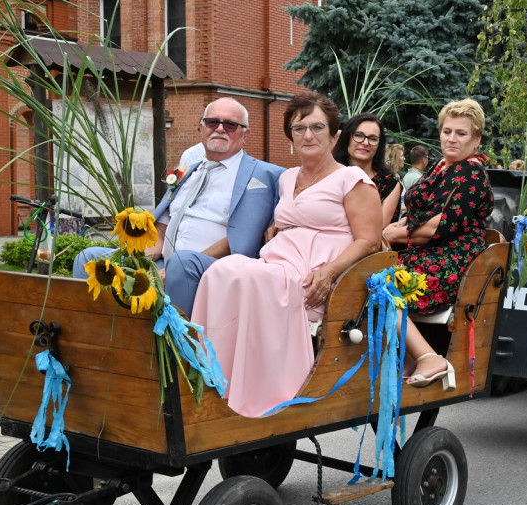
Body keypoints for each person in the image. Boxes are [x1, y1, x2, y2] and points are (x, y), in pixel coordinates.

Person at [191, 92, 381, 417]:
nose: (307, 135)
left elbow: (369, 240)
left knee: (241, 273)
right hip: (275, 264)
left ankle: (253, 393)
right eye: (298, 128)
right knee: (222, 271)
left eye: (317, 127)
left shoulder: (352, 178)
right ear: (291, 137)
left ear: (335, 135)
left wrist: (330, 272)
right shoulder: (286, 178)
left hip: (313, 276)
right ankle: (214, 383)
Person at [72, 98, 284, 316]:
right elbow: (161, 230)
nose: (220, 129)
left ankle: (181, 346)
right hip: (168, 263)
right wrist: (147, 264)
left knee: (182, 263)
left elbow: (243, 237)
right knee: (90, 258)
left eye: (230, 125)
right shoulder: (188, 171)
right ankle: (94, 337)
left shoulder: (263, 175)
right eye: (212, 122)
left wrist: (173, 268)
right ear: (201, 128)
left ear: (245, 135)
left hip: (214, 267)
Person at [382, 99, 494, 388]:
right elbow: (417, 213)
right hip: (422, 252)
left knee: (379, 284)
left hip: (450, 259)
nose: (452, 139)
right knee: (370, 275)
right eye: (447, 131)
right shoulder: (439, 167)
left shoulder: (471, 173)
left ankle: (430, 357)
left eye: (461, 133)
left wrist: (398, 235)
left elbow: (440, 226)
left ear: (476, 139)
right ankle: (408, 355)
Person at [331, 113, 402, 225]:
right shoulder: (329, 175)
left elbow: (379, 228)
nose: (365, 143)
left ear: (379, 145)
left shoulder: (389, 183)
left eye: (373, 138)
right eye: (359, 135)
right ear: (347, 138)